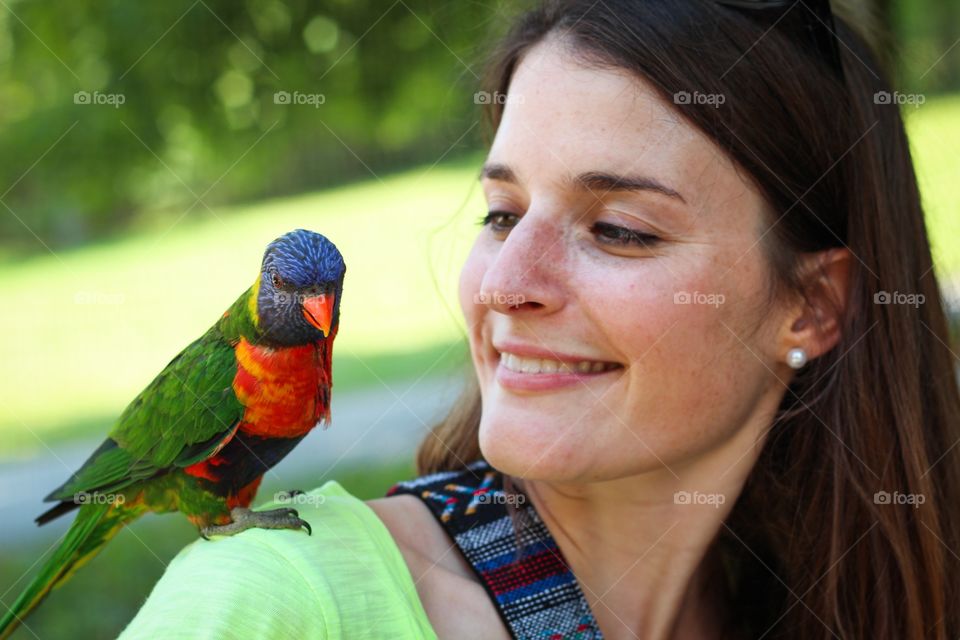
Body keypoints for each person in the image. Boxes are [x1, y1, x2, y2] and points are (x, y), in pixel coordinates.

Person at [119, 1, 960, 638]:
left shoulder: (829, 603)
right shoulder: (273, 605)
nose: (506, 284)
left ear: (813, 306)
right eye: (500, 213)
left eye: (619, 230)